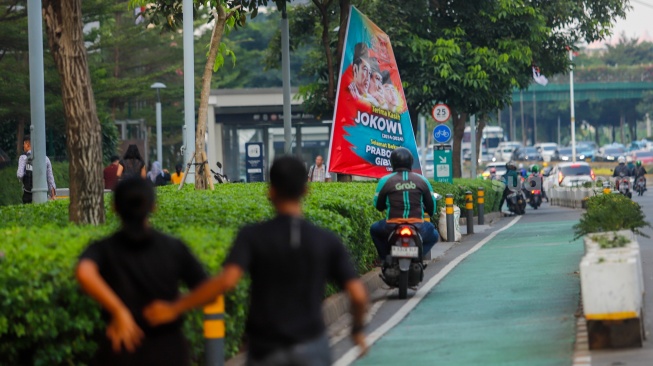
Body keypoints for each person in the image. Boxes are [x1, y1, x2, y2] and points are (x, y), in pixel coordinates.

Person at [143, 156, 369, 365]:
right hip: (312, 345)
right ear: (306, 190)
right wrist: (357, 329)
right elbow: (358, 295)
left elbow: (226, 281)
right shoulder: (326, 240)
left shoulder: (252, 236)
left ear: (270, 191)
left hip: (266, 349)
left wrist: (176, 307)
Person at [75, 177, 208, 365]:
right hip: (168, 350)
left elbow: (84, 272)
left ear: (114, 207)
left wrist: (119, 311)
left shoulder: (104, 248)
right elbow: (207, 288)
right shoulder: (173, 248)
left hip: (120, 347)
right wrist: (175, 308)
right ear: (153, 206)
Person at [370, 147, 439, 263]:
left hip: (391, 225)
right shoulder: (422, 180)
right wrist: (429, 212)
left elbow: (378, 205)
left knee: (374, 230)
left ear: (392, 163)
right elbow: (431, 207)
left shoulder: (385, 181)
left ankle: (385, 259)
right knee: (434, 234)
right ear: (411, 162)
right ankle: (417, 257)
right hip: (418, 225)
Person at [16, 135, 56, 203]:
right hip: (42, 194)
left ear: (27, 144)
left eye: (24, 144)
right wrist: (53, 195)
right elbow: (50, 179)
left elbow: (20, 174)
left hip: (28, 193)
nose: (23, 147)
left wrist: (24, 181)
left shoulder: (23, 158)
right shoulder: (45, 159)